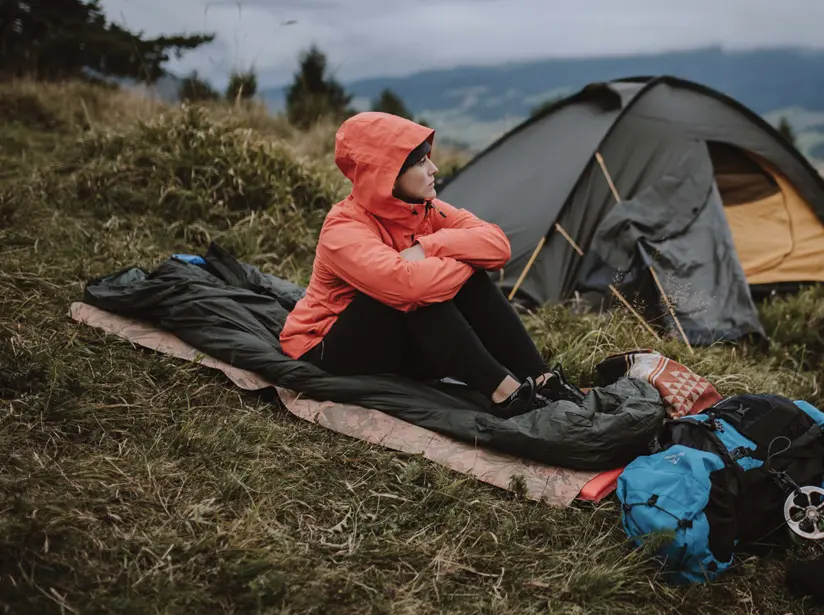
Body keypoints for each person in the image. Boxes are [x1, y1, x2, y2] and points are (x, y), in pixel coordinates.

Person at [279, 112, 561, 417]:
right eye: (420, 162)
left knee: (463, 282)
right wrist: (461, 260)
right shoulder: (344, 228)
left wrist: (429, 247)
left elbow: (497, 246)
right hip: (324, 350)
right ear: (385, 175)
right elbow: (410, 287)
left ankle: (543, 379)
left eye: (429, 158)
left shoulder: (427, 211)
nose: (434, 168)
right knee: (421, 297)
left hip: (391, 343)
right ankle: (505, 393)